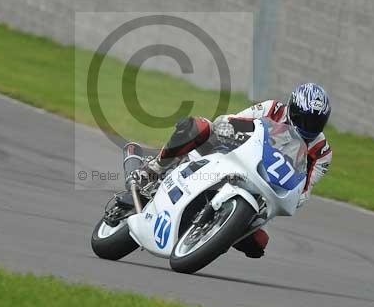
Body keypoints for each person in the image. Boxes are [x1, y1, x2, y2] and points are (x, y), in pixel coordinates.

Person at [131, 83, 333, 259]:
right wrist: (229, 126)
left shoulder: (322, 152)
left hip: (263, 186)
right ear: (293, 108)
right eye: (304, 120)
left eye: (315, 123)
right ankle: (154, 169)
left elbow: (306, 187)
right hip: (235, 152)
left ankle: (212, 232)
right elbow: (234, 120)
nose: (309, 127)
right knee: (199, 127)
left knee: (259, 244)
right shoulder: (272, 108)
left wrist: (298, 197)